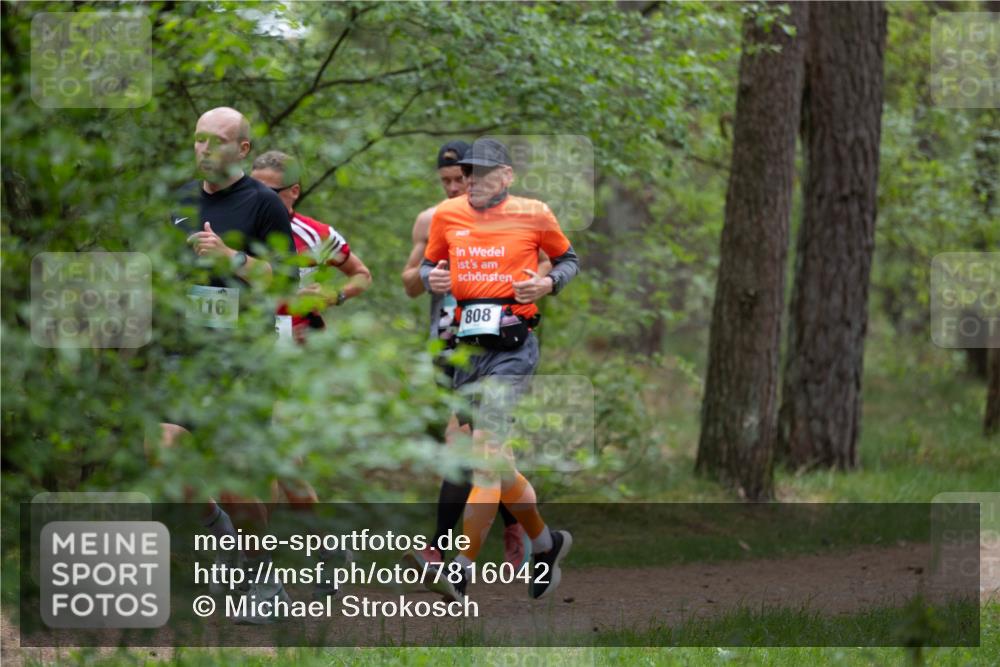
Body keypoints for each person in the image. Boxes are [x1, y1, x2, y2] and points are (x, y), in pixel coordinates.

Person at [419, 138, 580, 600]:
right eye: (470, 173)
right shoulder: (446, 216)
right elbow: (432, 265)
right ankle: (546, 544)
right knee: (499, 463)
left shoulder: (534, 213)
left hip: (514, 346)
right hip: (468, 350)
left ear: (506, 176)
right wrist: (434, 276)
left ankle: (461, 567)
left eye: (486, 173)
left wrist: (548, 283)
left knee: (485, 457)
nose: (474, 181)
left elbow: (570, 259)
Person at [158, 106, 297, 623]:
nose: (204, 150)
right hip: (185, 352)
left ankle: (262, 578)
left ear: (241, 150)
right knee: (162, 447)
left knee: (239, 483)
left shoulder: (264, 205)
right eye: (198, 140)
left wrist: (233, 261)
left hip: (242, 357)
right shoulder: (176, 198)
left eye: (216, 141)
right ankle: (222, 534)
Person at [402, 141, 550, 571]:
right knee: (481, 451)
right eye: (445, 180)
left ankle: (443, 550)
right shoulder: (434, 219)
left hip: (497, 342)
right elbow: (411, 281)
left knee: (464, 445)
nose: (452, 187)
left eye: (459, 179)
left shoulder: (510, 218)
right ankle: (521, 527)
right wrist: (432, 276)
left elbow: (544, 260)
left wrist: (528, 282)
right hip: (447, 343)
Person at [251, 150, 372, 343]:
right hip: (246, 337)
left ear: (294, 191)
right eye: (253, 189)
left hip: (298, 345)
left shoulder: (317, 234)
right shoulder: (233, 227)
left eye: (270, 192)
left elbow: (362, 275)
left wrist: (335, 295)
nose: (259, 198)